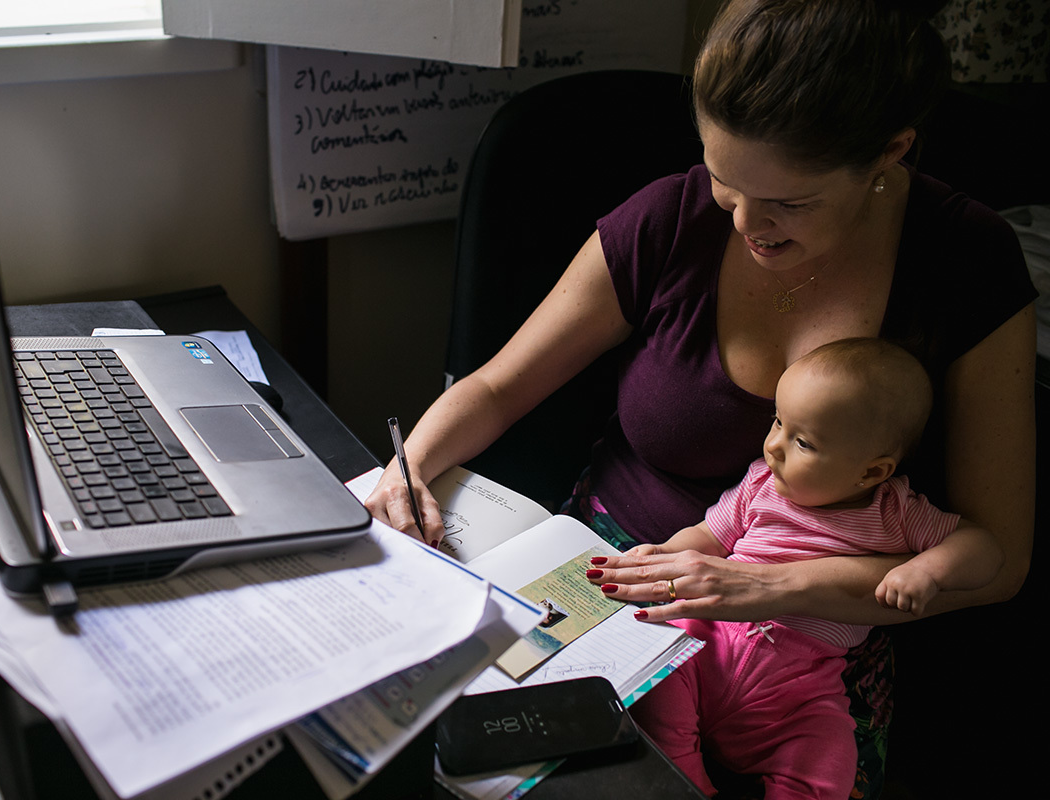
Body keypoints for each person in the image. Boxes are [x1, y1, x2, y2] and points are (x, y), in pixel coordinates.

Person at [366, 0, 1036, 795]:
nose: (748, 224)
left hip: (817, 642)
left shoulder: (966, 260)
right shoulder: (671, 217)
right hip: (619, 577)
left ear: (890, 152)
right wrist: (408, 467)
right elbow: (496, 385)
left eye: (791, 202)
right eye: (726, 183)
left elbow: (999, 565)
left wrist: (765, 586)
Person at [612, 338, 1002, 798]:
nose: (773, 446)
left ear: (871, 473)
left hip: (798, 685)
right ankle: (683, 780)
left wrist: (928, 571)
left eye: (803, 442)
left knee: (831, 756)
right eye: (778, 421)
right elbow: (708, 536)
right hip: (710, 639)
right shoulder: (761, 483)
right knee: (656, 664)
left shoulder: (894, 512)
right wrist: (663, 554)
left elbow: (985, 548)